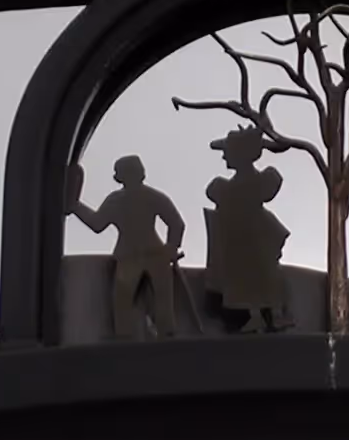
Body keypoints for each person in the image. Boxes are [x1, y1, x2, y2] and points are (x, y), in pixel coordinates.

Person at [70, 155, 185, 339]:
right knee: (123, 300)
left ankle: (163, 333)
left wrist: (171, 248)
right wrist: (76, 207)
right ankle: (127, 337)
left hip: (154, 255)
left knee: (160, 298)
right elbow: (97, 223)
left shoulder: (148, 197)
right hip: (131, 257)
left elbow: (176, 223)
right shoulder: (119, 200)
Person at [202, 127, 291, 332]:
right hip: (241, 246)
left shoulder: (247, 184)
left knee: (260, 282)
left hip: (253, 244)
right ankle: (253, 317)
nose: (224, 155)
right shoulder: (225, 187)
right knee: (247, 285)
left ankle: (268, 316)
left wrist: (257, 142)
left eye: (228, 150)